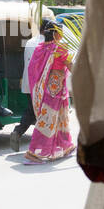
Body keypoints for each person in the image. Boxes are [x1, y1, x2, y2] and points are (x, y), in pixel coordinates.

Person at [25, 19, 74, 162]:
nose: (62, 35)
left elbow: (33, 68)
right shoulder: (59, 48)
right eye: (60, 32)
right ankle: (33, 151)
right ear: (56, 34)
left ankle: (66, 146)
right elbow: (70, 65)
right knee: (47, 121)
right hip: (55, 89)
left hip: (46, 88)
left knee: (59, 118)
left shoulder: (40, 48)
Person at [10, 23, 43, 150]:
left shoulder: (30, 42)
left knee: (31, 110)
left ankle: (18, 132)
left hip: (29, 83)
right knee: (43, 112)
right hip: (39, 84)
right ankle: (42, 142)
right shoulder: (46, 45)